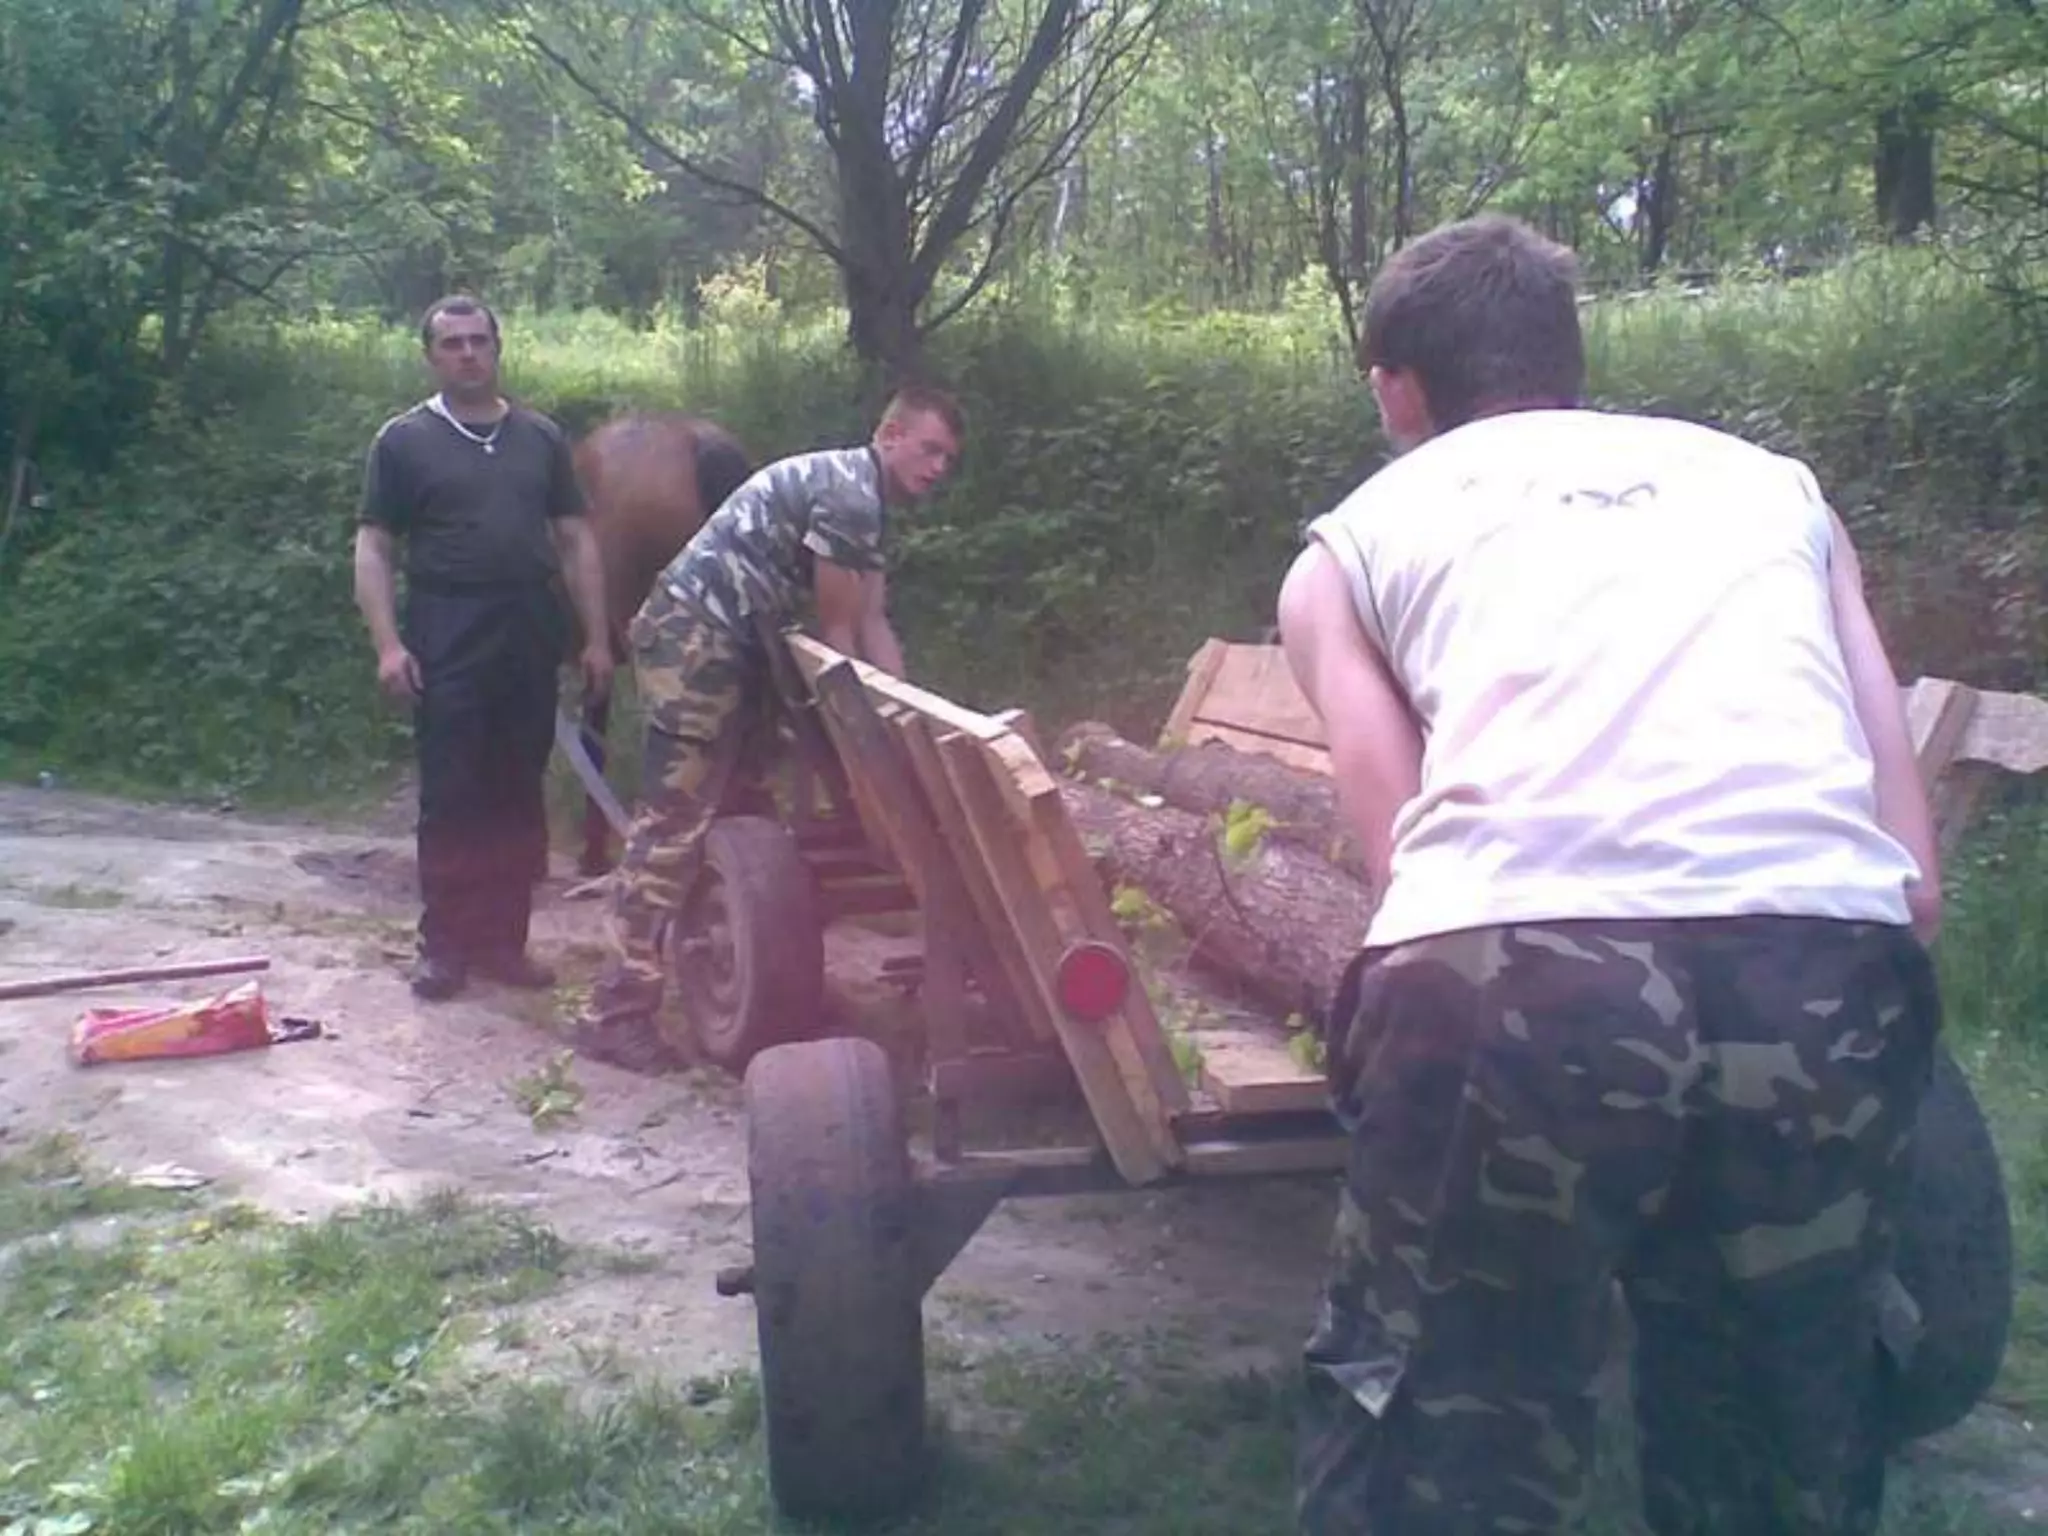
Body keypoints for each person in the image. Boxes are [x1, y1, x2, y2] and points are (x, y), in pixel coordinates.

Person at [1275, 214, 1943, 1535]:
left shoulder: (1346, 548)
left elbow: (1405, 858)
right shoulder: (1780, 493)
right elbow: (1913, 877)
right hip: (1821, 964)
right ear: (1566, 359)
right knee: (1782, 1441)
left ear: (1393, 389)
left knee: (1449, 1434)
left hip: (1516, 979)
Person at [572, 385, 965, 1071]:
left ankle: (742, 979)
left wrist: (907, 711)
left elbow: (872, 622)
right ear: (891, 433)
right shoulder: (848, 493)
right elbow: (842, 635)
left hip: (731, 641)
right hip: (697, 641)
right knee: (673, 822)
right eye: (929, 450)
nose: (937, 469)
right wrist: (873, 738)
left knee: (739, 807)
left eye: (948, 460)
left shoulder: (861, 497)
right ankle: (613, 1011)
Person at [354, 295, 613, 1002]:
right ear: (431, 357)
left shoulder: (540, 438)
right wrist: (388, 645)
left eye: (478, 341)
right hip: (448, 625)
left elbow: (575, 540)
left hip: (529, 626)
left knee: (515, 788)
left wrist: (596, 637)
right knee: (452, 791)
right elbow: (375, 546)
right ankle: (445, 947)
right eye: (452, 344)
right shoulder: (403, 442)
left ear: (498, 348)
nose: (468, 353)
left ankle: (504, 943)